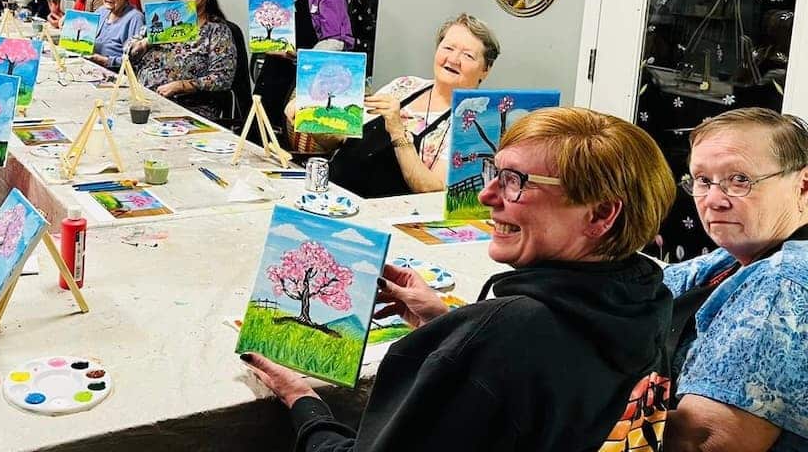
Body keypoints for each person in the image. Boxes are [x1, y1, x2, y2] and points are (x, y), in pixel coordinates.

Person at [243, 107, 676, 451]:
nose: (486, 196)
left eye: (514, 182)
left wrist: (303, 402)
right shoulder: (646, 299)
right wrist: (450, 324)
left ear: (600, 213)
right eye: (495, 173)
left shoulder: (509, 334)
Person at [662, 108, 808, 452]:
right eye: (702, 180)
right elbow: (641, 288)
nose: (713, 200)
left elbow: (705, 439)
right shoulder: (736, 258)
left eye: (740, 180)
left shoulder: (787, 282)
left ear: (803, 186)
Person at [290, 13, 501, 196]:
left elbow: (433, 192)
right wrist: (313, 119)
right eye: (448, 47)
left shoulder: (474, 123)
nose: (453, 59)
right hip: (333, 194)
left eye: (468, 55)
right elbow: (339, 141)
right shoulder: (405, 85)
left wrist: (398, 132)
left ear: (486, 69)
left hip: (387, 218)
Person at [253, 0, 354, 132]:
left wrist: (299, 56)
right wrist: (268, 45)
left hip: (309, 75)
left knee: (293, 135)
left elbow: (337, 40)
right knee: (259, 129)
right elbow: (264, 25)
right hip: (275, 70)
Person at [127, 0, 237, 121]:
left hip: (186, 109)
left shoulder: (216, 30)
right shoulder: (163, 18)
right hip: (143, 101)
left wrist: (182, 85)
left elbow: (223, 78)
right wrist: (146, 42)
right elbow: (126, 55)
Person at [88, 0, 143, 71]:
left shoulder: (135, 18)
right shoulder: (101, 11)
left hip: (116, 76)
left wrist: (106, 61)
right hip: (92, 69)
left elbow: (135, 61)